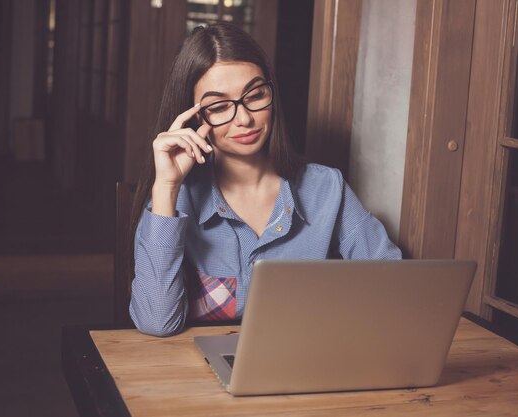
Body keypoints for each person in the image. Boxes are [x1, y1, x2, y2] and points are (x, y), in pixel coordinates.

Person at [130, 23, 401, 337]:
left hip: (308, 368)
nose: (244, 119)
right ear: (192, 119)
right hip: (201, 377)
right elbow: (156, 323)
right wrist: (166, 187)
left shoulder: (326, 188)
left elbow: (393, 286)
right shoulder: (176, 200)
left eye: (255, 95)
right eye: (218, 107)